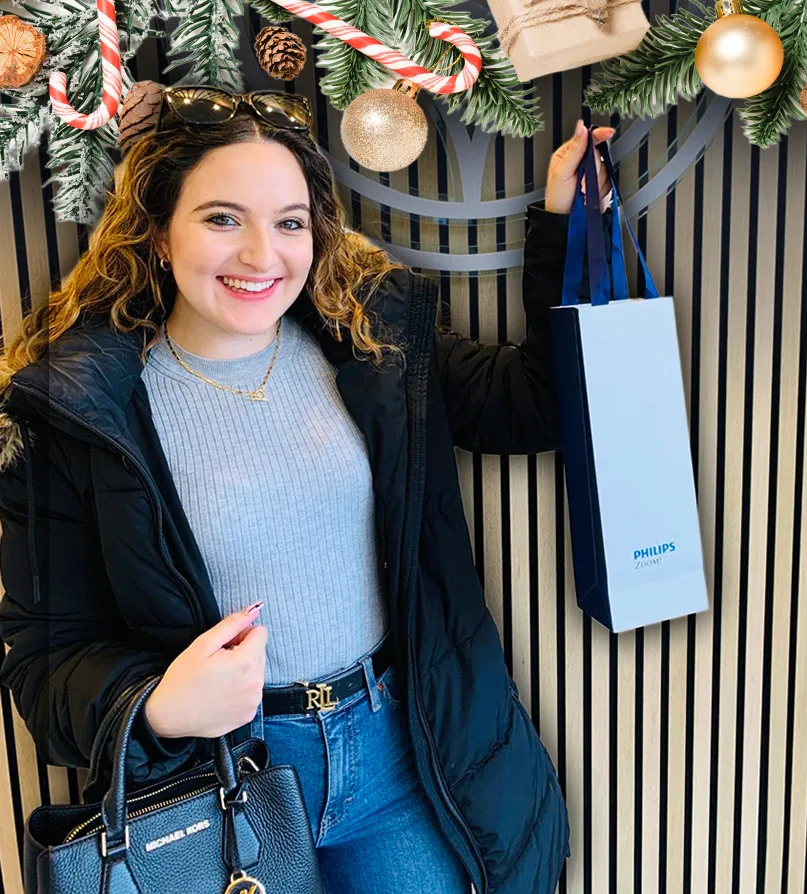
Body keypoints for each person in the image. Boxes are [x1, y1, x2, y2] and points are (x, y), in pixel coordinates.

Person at [0, 86, 613, 893]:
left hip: (400, 753)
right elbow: (46, 657)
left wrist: (567, 225)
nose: (262, 256)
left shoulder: (374, 344)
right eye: (223, 219)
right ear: (156, 233)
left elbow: (536, 404)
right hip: (222, 784)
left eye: (289, 222)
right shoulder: (80, 410)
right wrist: (155, 706)